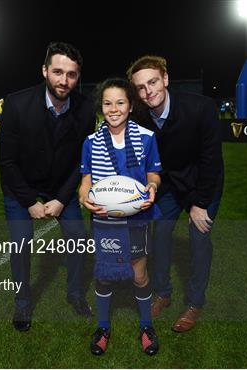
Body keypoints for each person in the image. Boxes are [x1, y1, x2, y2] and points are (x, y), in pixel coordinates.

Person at [0, 42, 96, 332]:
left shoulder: (86, 108)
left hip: (60, 186)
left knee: (78, 237)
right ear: (44, 71)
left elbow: (82, 158)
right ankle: (23, 302)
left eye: (72, 75)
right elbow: (6, 160)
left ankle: (76, 294)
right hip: (20, 186)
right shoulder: (16, 103)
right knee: (20, 244)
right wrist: (29, 201)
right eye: (57, 72)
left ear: (78, 77)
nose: (64, 81)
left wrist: (62, 199)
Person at [127, 56, 224, 333]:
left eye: (153, 82)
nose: (149, 91)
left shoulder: (201, 108)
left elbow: (211, 161)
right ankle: (163, 293)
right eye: (142, 87)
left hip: (204, 183)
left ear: (166, 79)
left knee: (198, 236)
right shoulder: (140, 116)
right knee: (158, 235)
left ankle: (194, 303)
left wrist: (200, 204)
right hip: (169, 185)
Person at [79, 78, 162, 356]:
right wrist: (84, 197)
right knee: (103, 276)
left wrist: (152, 187)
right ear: (101, 107)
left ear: (130, 105)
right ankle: (103, 326)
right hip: (104, 220)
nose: (114, 108)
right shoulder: (90, 142)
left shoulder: (147, 137)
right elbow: (86, 181)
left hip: (136, 218)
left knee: (139, 275)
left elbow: (154, 174)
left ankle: (146, 325)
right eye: (107, 103)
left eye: (120, 102)